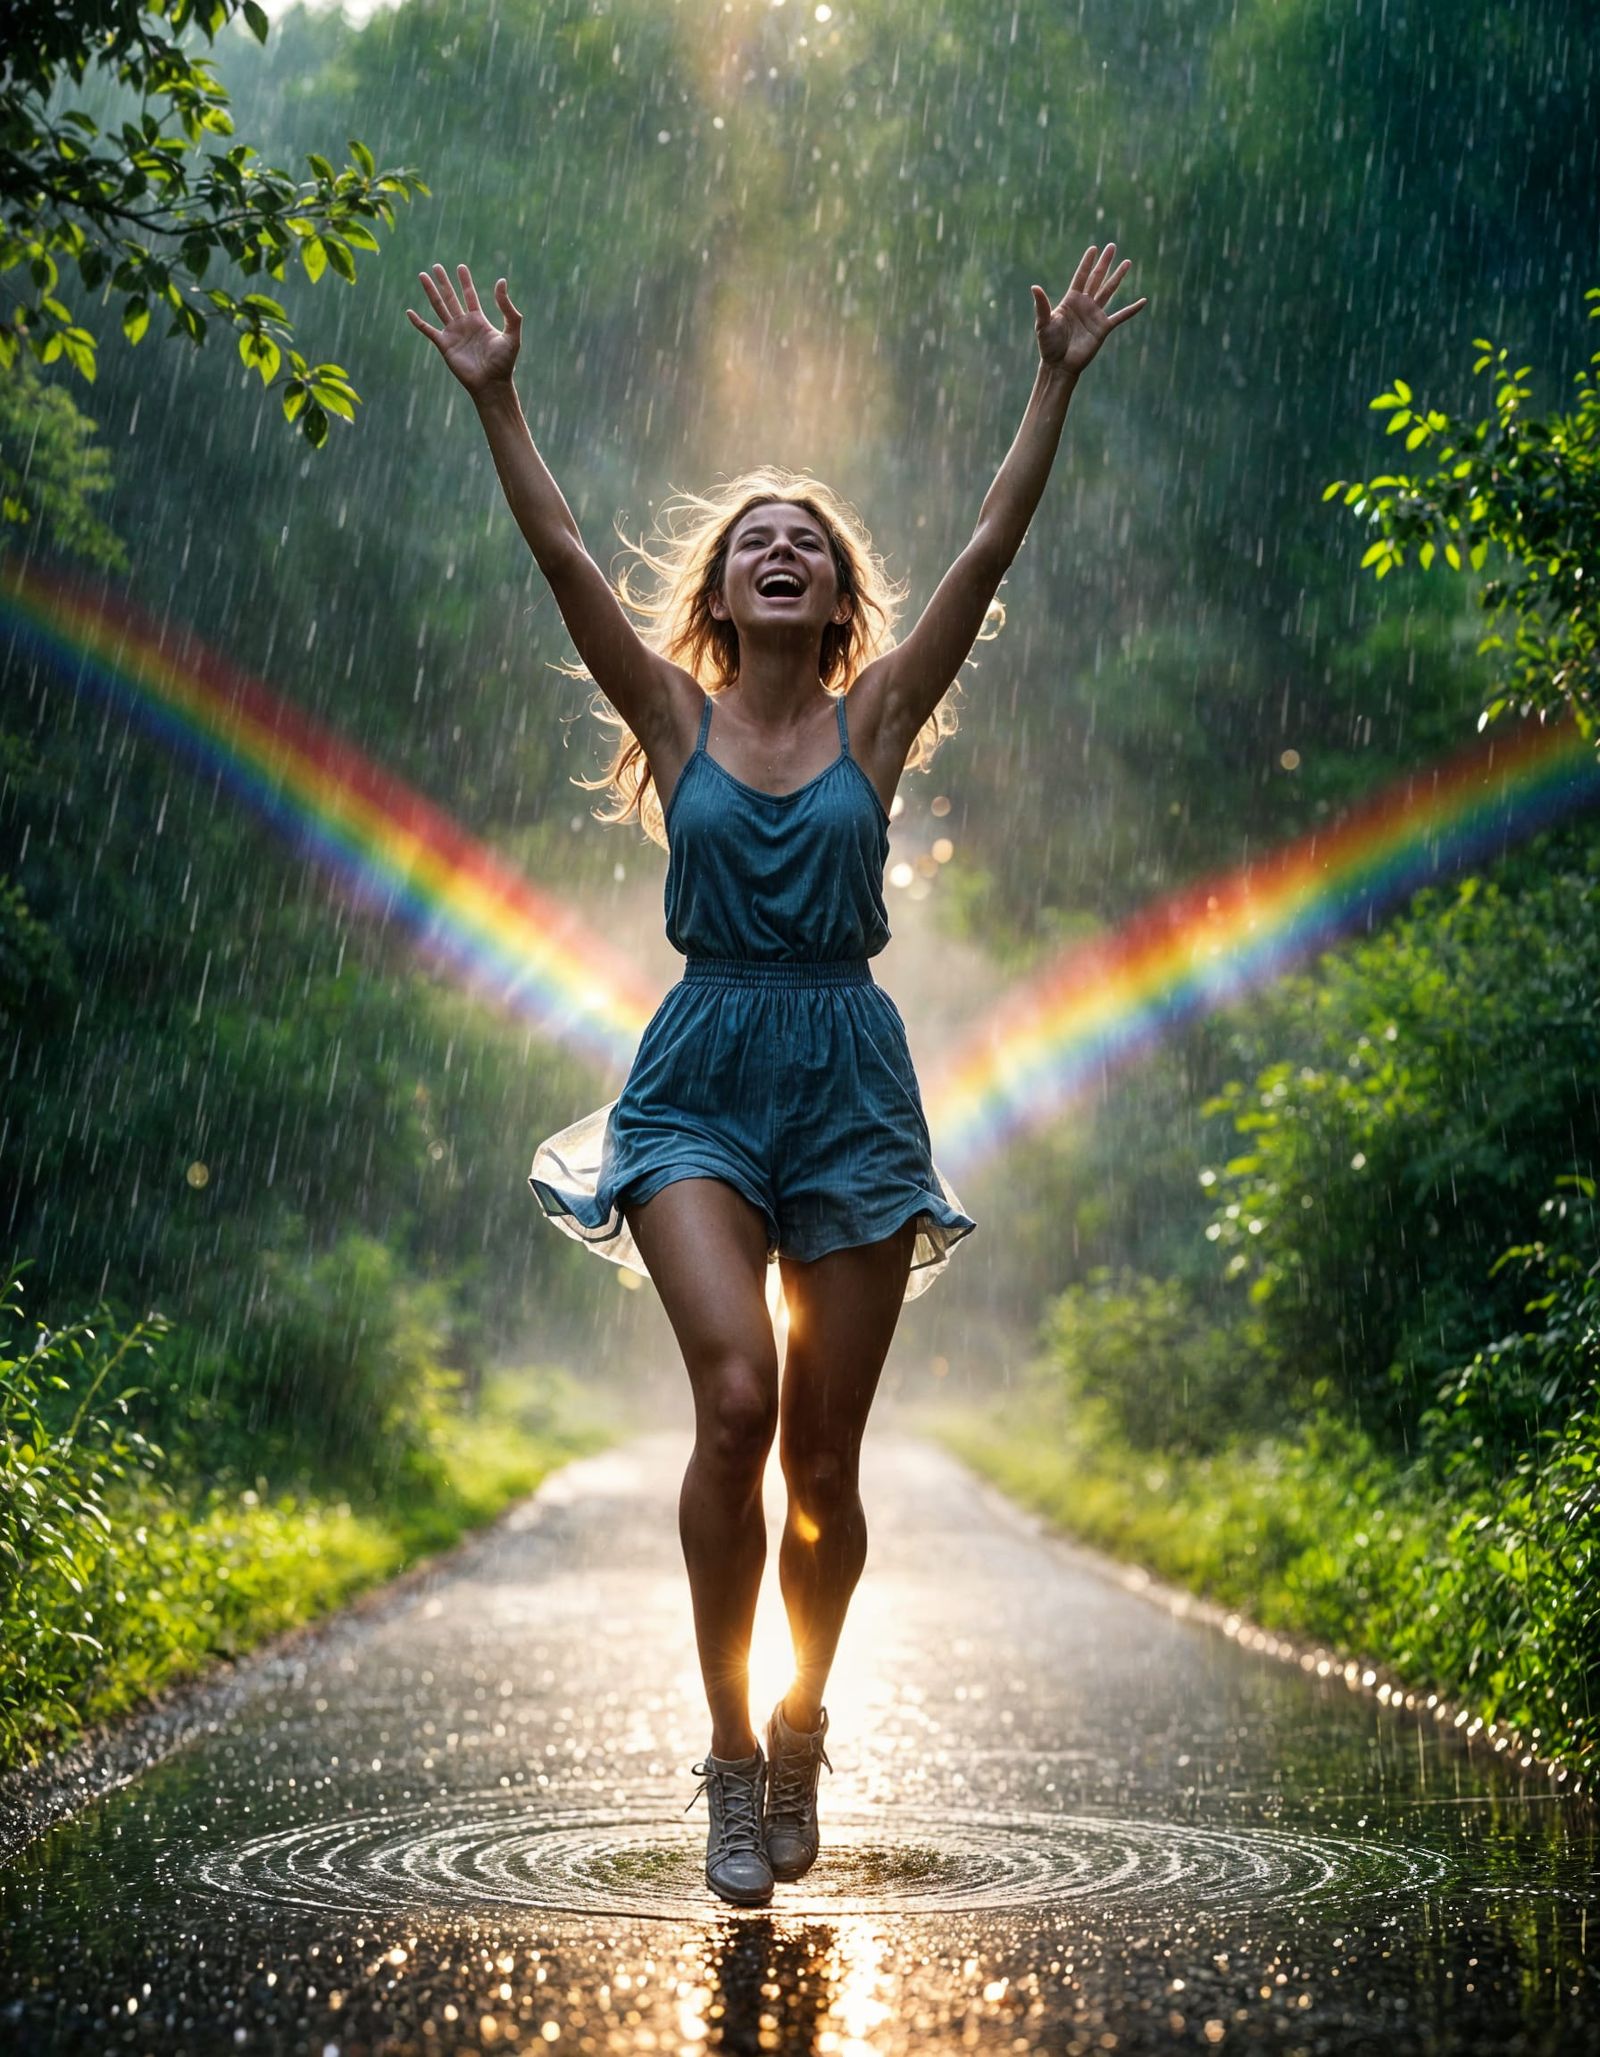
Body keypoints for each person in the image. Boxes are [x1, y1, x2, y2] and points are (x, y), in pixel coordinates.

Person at [407, 245, 1146, 1905]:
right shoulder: (673, 721)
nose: (785, 549)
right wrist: (501, 400)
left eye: (808, 538)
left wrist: (1054, 383)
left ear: (834, 592)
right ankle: (731, 1759)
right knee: (736, 1397)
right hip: (699, 1077)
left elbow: (988, 546)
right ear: (725, 597)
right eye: (759, 543)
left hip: (852, 1085)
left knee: (825, 1462)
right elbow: (564, 558)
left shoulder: (878, 722)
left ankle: (806, 1715)